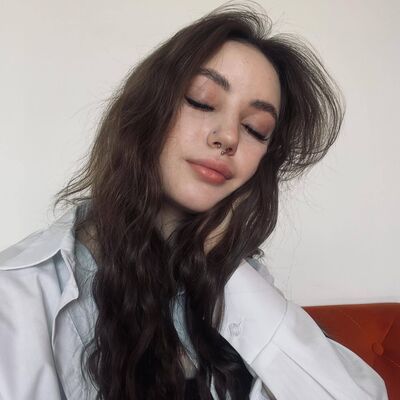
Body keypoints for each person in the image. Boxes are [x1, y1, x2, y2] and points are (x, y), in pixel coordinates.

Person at [0, 4, 388, 400]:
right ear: (148, 108)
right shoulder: (18, 293)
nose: (229, 137)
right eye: (202, 101)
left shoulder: (243, 283)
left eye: (255, 129)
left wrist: (228, 269)